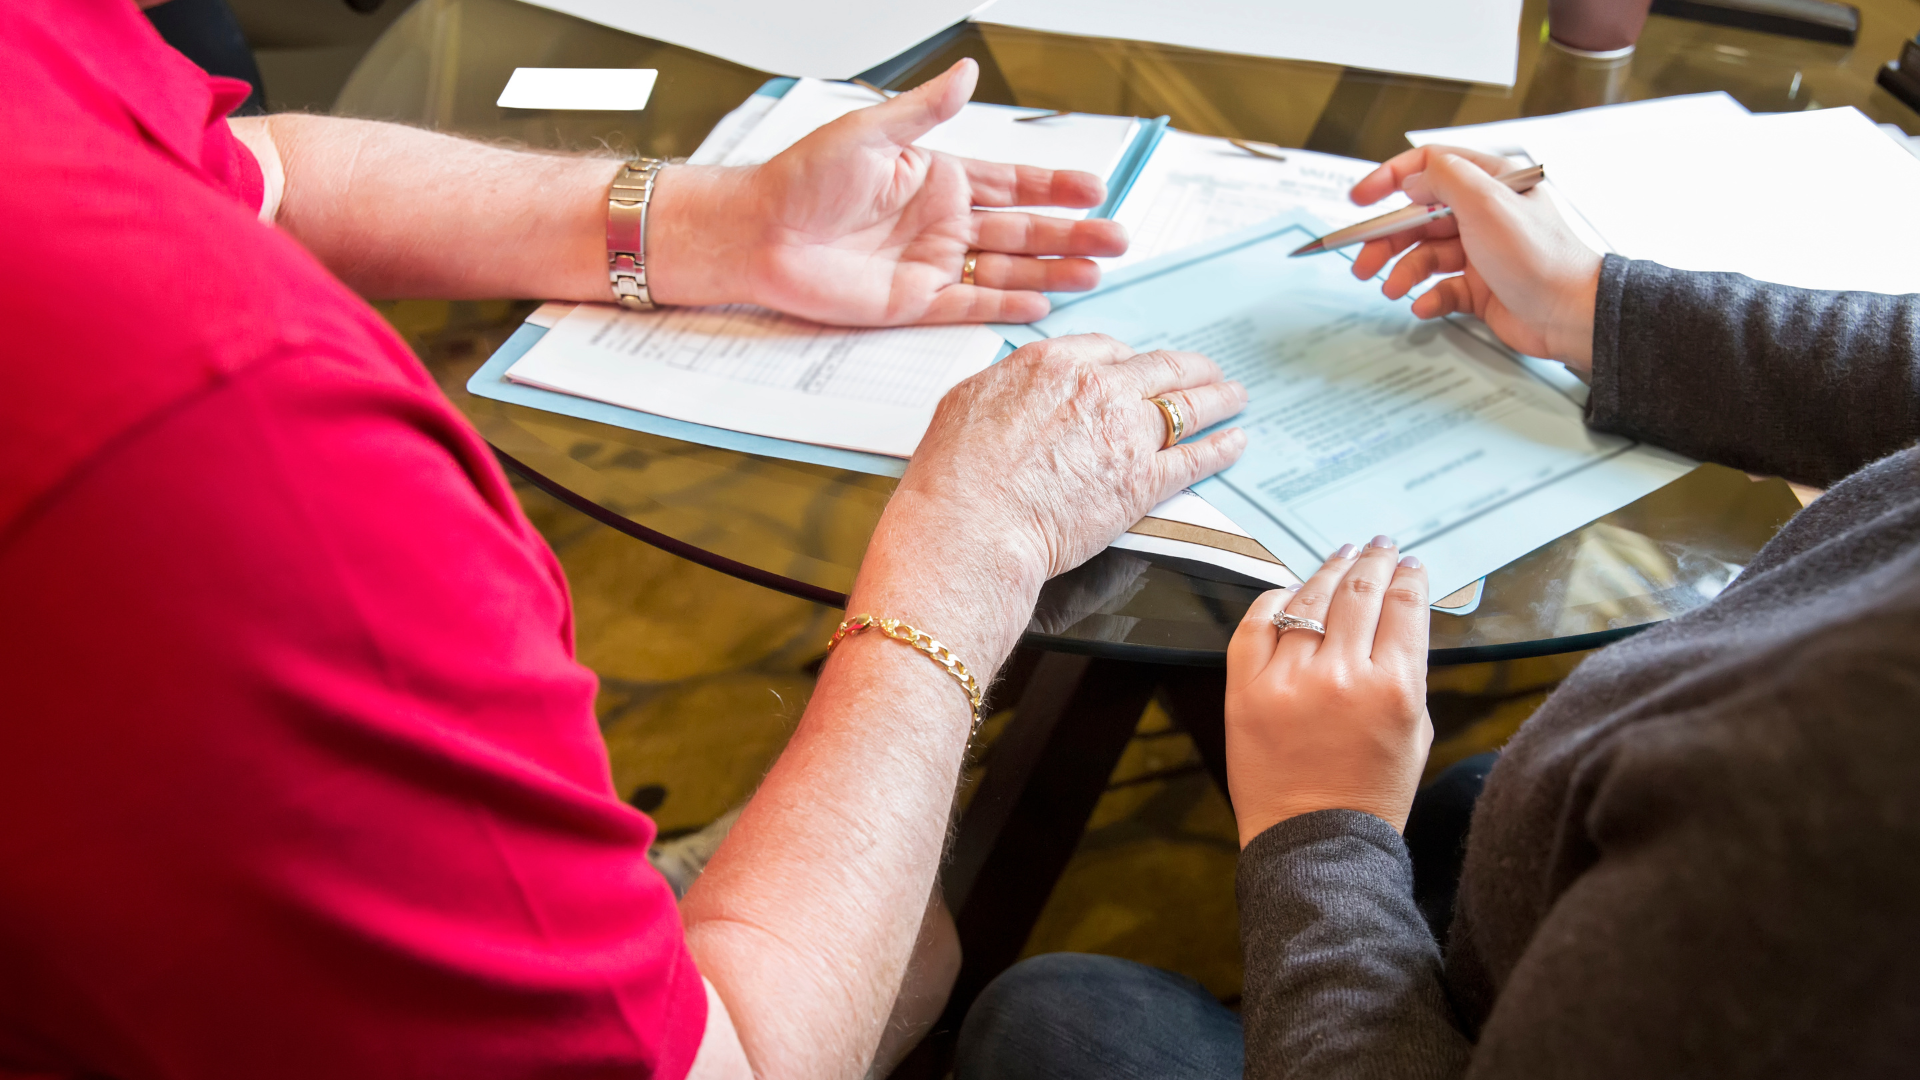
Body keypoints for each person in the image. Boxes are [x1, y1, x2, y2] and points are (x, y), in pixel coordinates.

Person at [0, 4, 1253, 1078]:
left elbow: (233, 165)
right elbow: (723, 1060)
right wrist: (966, 544)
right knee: (908, 951)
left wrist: (723, 225)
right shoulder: (257, 449)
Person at [955, 144, 1920, 1078]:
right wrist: (1591, 305)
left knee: (1049, 1022)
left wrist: (1318, 823)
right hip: (1563, 870)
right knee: (1463, 804)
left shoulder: (1834, 838)